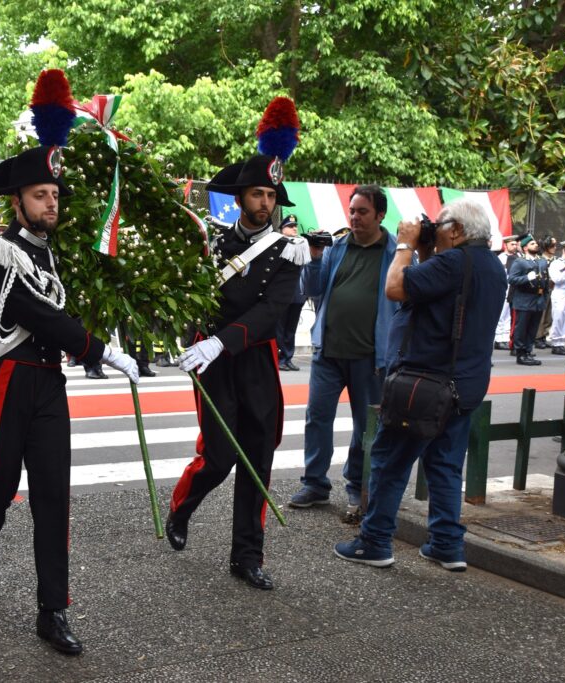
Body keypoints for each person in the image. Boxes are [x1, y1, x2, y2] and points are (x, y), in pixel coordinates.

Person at [0, 71, 139, 655]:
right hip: (2, 384)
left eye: (55, 195)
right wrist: (104, 352)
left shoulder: (51, 255)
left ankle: (52, 611)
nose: (51, 203)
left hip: (46, 388)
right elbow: (42, 318)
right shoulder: (3, 255)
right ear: (17, 202)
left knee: (53, 498)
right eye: (41, 195)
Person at [334, 199, 505, 571]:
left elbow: (396, 287)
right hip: (465, 386)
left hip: (422, 386)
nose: (435, 232)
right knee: (444, 465)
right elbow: (443, 296)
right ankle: (447, 545)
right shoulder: (492, 266)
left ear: (456, 230)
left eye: (440, 227)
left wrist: (407, 245)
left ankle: (375, 541)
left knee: (389, 462)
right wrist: (429, 249)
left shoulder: (451, 262)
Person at [165, 145, 305, 592]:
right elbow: (188, 297)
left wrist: (222, 342)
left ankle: (247, 555)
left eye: (271, 195)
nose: (265, 203)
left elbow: (272, 311)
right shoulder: (213, 244)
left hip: (255, 359)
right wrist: (195, 339)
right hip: (214, 362)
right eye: (258, 194)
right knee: (221, 455)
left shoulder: (288, 251)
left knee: (257, 458)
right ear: (241, 197)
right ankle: (182, 507)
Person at [288, 185, 396, 518]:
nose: (354, 217)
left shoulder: (394, 252)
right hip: (329, 353)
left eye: (362, 212)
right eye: (352, 211)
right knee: (317, 417)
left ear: (380, 215)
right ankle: (315, 484)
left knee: (366, 427)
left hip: (371, 357)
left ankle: (356, 487)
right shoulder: (338, 247)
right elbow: (312, 289)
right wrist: (314, 259)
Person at [507, 234, 549, 365]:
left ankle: (528, 351)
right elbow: (512, 279)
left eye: (536, 243)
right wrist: (527, 278)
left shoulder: (542, 261)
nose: (536, 245)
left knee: (533, 328)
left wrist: (545, 296)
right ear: (525, 248)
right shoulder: (520, 262)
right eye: (532, 244)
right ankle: (520, 353)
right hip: (525, 299)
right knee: (522, 328)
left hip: (539, 299)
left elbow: (546, 280)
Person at [275, 213, 307, 372]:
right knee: (280, 328)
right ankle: (280, 357)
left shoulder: (301, 244)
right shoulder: (277, 244)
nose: (294, 228)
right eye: (290, 226)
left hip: (297, 294)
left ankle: (287, 358)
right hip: (282, 294)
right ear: (282, 229)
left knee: (291, 329)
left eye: (295, 226)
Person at [493, 234, 521, 351]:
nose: (514, 246)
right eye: (512, 244)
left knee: (510, 315)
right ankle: (500, 339)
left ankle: (506, 338)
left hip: (515, 288)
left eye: (515, 244)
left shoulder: (519, 256)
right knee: (502, 314)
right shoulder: (500, 258)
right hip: (504, 288)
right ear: (506, 245)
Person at [534, 235, 559, 349]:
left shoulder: (556, 260)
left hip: (554, 289)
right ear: (546, 246)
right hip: (542, 289)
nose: (554, 248)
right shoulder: (539, 259)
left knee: (549, 314)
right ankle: (538, 336)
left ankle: (544, 334)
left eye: (555, 245)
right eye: (552, 245)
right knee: (542, 314)